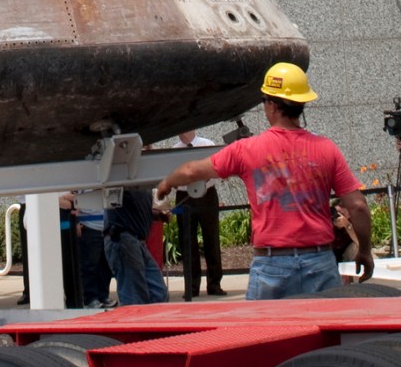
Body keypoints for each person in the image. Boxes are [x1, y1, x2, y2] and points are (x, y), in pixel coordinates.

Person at [153, 62, 374, 300]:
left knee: (265, 335)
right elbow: (358, 206)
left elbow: (190, 171)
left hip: (271, 266)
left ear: (271, 105)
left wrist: (166, 183)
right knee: (326, 334)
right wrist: (365, 250)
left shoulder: (246, 150)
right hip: (320, 263)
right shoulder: (326, 149)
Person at [166, 130, 224, 297]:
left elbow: (217, 170)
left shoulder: (207, 145)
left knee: (211, 239)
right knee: (187, 242)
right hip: (184, 196)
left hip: (207, 193)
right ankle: (192, 286)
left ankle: (214, 284)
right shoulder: (174, 150)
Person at [103, 184, 169, 305]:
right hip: (123, 237)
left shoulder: (139, 179)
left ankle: (147, 321)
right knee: (135, 298)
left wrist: (156, 215)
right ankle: (134, 322)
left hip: (134, 240)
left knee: (158, 293)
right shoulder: (123, 175)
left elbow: (135, 209)